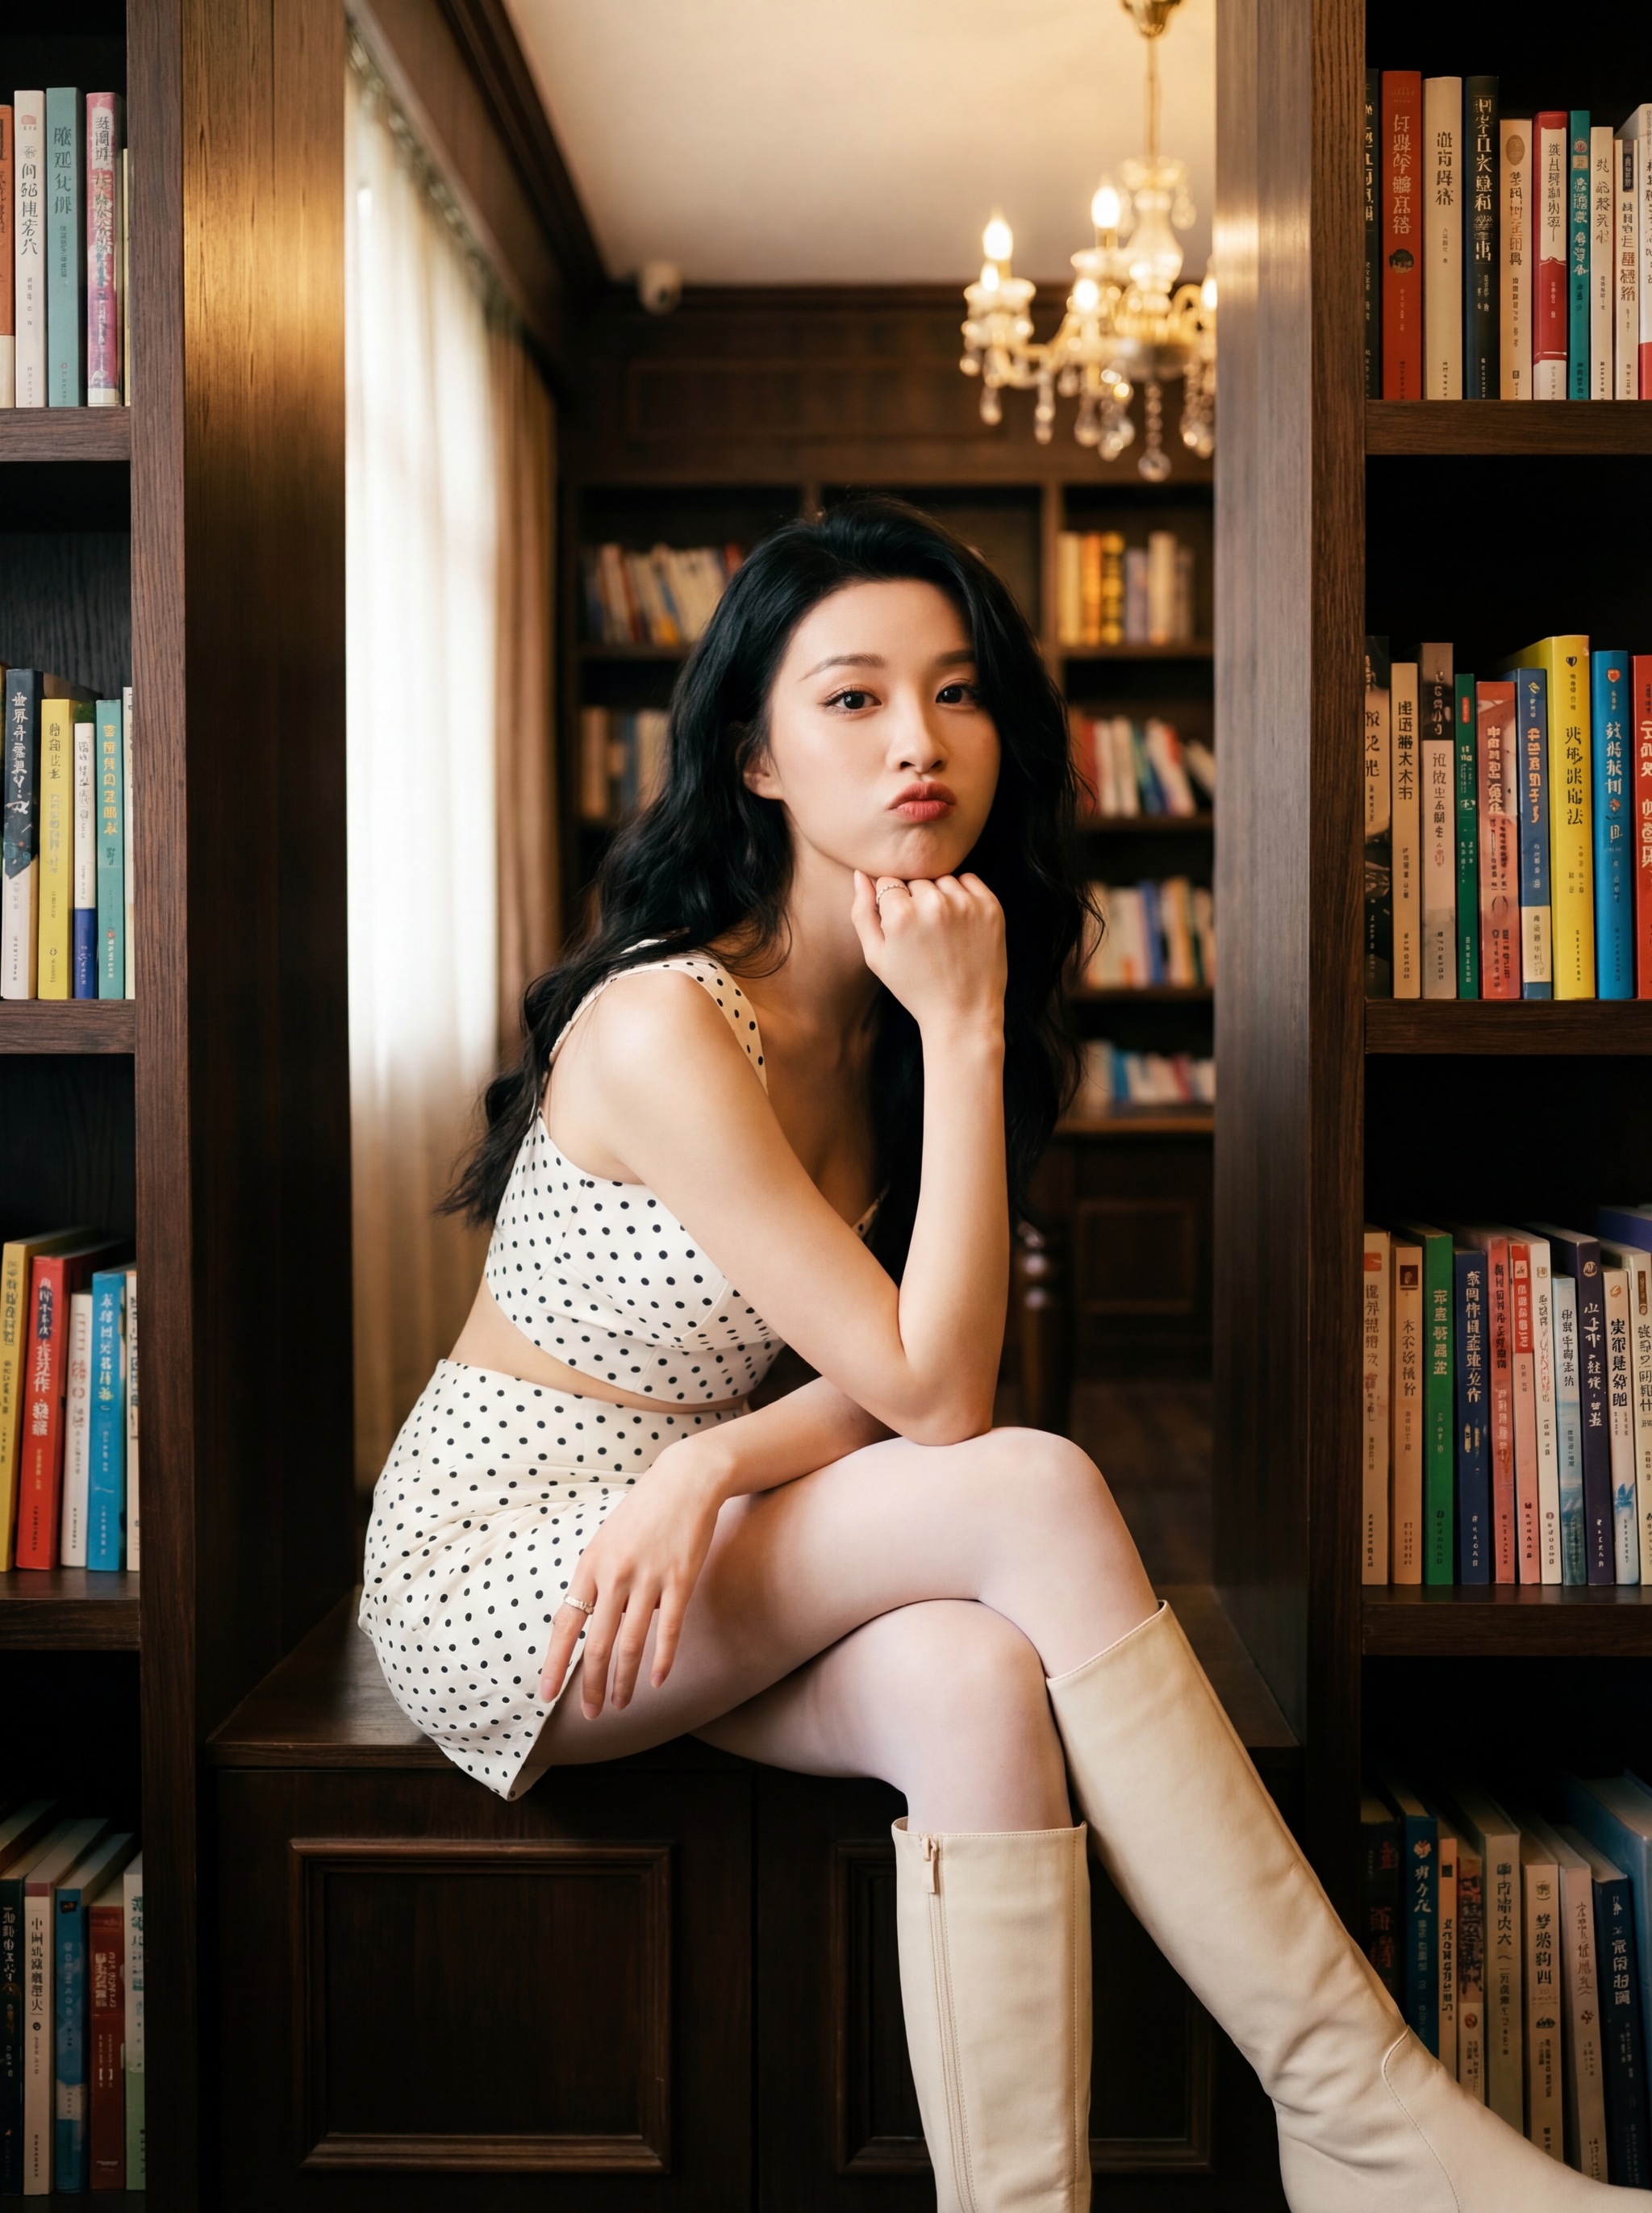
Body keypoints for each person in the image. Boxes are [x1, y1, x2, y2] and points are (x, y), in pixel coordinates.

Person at [361, 499, 1625, 2211]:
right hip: (508, 1561)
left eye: (954, 694)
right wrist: (964, 1031)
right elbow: (948, 1402)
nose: (918, 743)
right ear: (753, 756)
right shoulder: (668, 1022)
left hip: (689, 1524)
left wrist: (715, 1457)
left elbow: (900, 1379)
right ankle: (1358, 2112)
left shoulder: (892, 1005)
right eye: (854, 699)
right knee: (1027, 1481)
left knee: (970, 1674)